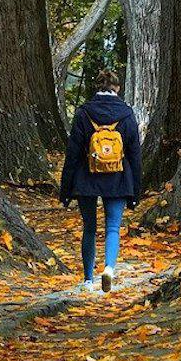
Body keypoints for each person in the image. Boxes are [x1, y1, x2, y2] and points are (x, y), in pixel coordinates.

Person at [59, 67, 141, 293]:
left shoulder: (83, 113)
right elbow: (135, 154)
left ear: (97, 86)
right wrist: (135, 191)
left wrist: (65, 190)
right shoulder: (126, 114)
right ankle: (109, 269)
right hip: (118, 177)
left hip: (86, 177)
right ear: (117, 88)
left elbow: (73, 154)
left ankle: (88, 279)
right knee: (113, 227)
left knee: (89, 228)